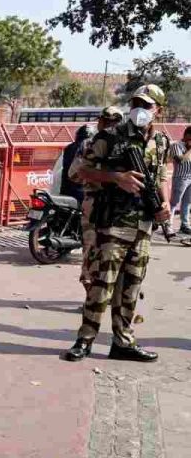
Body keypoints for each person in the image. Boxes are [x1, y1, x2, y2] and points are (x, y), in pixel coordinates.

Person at [63, 85, 170, 363]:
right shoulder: (109, 136)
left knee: (131, 286)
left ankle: (123, 342)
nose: (139, 109)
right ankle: (85, 340)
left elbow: (160, 177)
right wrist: (116, 178)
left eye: (146, 105)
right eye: (135, 103)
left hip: (143, 226)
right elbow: (80, 171)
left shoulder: (161, 142)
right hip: (113, 222)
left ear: (158, 110)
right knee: (102, 284)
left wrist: (165, 204)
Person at [66, 106, 123, 291]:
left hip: (95, 205)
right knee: (115, 253)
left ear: (100, 122)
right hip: (121, 208)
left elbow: (73, 175)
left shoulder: (89, 144)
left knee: (91, 252)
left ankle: (92, 296)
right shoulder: (129, 144)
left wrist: (93, 176)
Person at [167, 126, 191, 235]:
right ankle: (168, 226)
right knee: (174, 202)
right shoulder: (176, 145)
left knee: (187, 202)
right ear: (187, 135)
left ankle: (184, 225)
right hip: (181, 177)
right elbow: (180, 160)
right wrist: (190, 150)